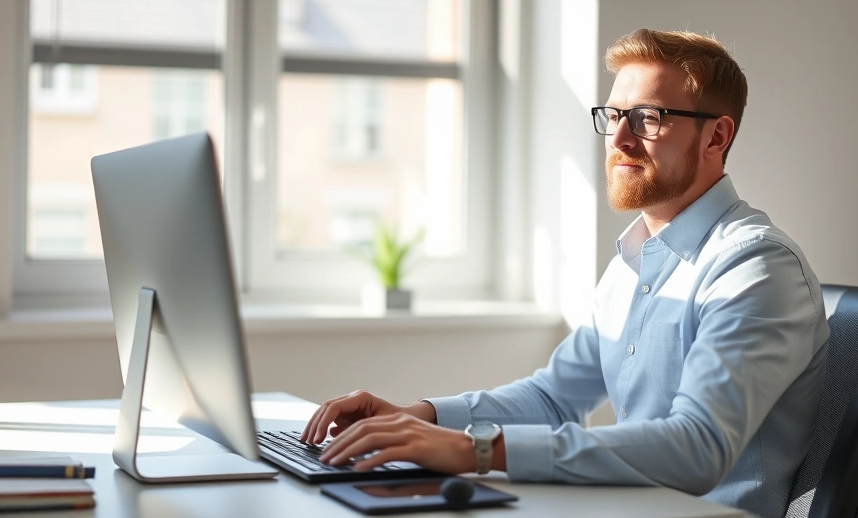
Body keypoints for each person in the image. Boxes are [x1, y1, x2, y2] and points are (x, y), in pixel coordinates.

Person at [301, 28, 830, 518]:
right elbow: (554, 398)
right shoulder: (636, 260)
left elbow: (698, 448)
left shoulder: (755, 267)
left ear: (716, 137)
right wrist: (419, 417)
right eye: (614, 115)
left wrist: (475, 450)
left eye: (648, 118)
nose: (619, 138)